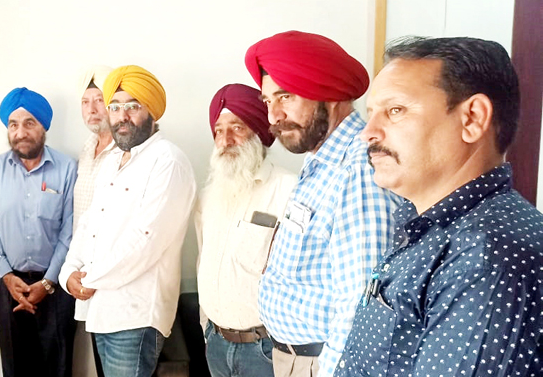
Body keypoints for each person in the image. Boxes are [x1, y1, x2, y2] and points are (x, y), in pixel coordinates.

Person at [334, 36, 543, 377]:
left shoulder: (487, 258)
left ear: (472, 119)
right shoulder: (430, 225)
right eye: (371, 114)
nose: (368, 133)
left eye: (395, 111)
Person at [245, 31, 401, 376]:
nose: (274, 116)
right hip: (296, 358)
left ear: (329, 95)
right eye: (268, 101)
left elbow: (360, 302)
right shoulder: (323, 159)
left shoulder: (359, 169)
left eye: (285, 96)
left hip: (322, 363)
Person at [59, 65, 196, 377]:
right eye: (115, 107)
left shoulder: (167, 161)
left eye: (133, 106)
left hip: (135, 315)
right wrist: (69, 273)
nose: (122, 115)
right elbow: (88, 226)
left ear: (152, 111)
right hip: (100, 310)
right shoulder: (111, 162)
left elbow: (144, 242)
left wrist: (88, 279)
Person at [195, 83, 297, 377]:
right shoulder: (209, 195)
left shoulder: (288, 190)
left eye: (237, 127)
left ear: (258, 131)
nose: (226, 139)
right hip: (215, 343)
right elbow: (205, 260)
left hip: (264, 351)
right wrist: (207, 329)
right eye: (218, 130)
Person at [0, 87, 77, 377]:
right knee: (15, 370)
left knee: (58, 370)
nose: (20, 132)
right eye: (13, 124)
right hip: (10, 288)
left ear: (43, 126)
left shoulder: (68, 169)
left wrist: (47, 283)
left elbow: (70, 231)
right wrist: (7, 276)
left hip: (56, 289)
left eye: (29, 123)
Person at [73, 65, 114, 377]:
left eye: (99, 100)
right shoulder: (86, 151)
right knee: (101, 362)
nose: (92, 109)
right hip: (83, 275)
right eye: (86, 102)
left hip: (115, 275)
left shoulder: (129, 150)